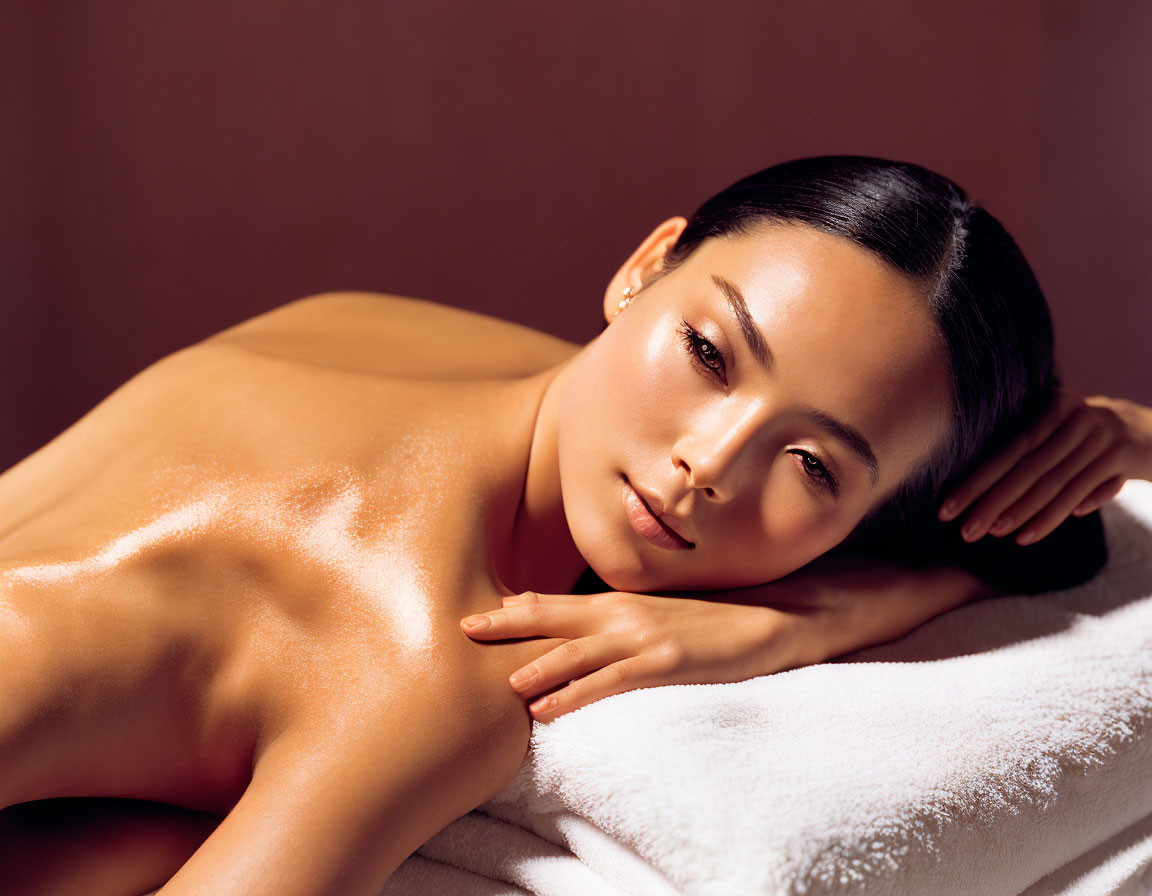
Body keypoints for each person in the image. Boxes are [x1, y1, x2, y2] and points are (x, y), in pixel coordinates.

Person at [1, 156, 1149, 894]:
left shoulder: (369, 321)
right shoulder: (433, 675)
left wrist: (799, 622)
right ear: (646, 267)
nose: (708, 464)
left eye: (809, 463)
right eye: (710, 353)